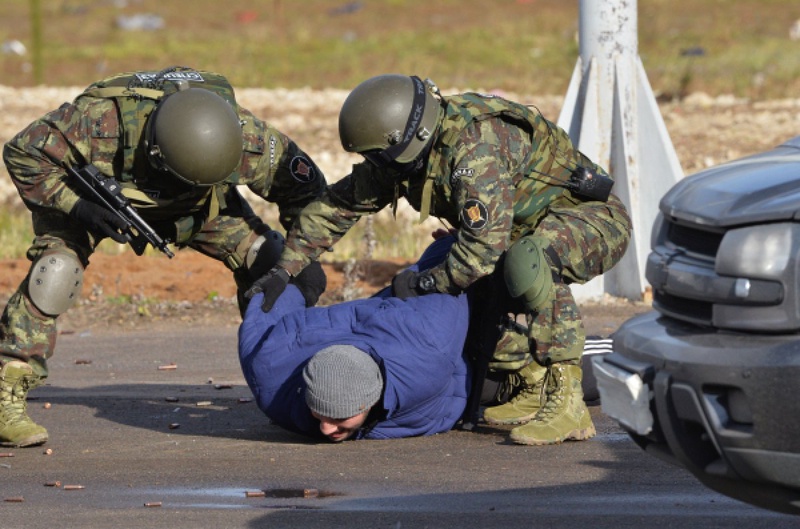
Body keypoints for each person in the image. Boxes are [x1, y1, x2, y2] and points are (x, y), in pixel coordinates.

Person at [247, 74, 632, 446]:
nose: (373, 165)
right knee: (479, 299)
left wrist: (426, 283)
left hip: (592, 223)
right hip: (515, 234)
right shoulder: (402, 157)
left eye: (376, 156)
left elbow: (480, 251)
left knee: (525, 263)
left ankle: (567, 402)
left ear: (407, 140)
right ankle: (529, 383)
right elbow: (337, 206)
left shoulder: (474, 149)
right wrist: (287, 269)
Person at [0, 66, 327, 447]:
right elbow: (23, 152)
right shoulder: (99, 122)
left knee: (278, 270)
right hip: (94, 198)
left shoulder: (247, 140)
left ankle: (283, 381)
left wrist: (300, 258)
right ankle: (8, 391)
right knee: (56, 273)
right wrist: (79, 208)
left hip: (201, 208)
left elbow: (308, 196)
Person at [239, 237, 471, 441]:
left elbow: (455, 281)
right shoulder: (271, 375)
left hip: (406, 323)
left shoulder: (430, 344)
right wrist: (288, 275)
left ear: (368, 401)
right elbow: (264, 318)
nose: (326, 428)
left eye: (339, 417)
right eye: (318, 412)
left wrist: (454, 243)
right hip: (340, 330)